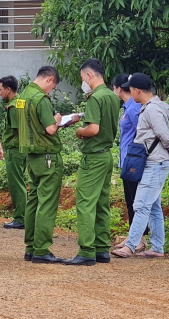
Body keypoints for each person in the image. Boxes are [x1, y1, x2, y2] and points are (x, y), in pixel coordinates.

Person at [111, 73, 169, 259]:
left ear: (137, 90)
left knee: (140, 205)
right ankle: (157, 247)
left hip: (154, 164)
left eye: (131, 89)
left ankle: (131, 245)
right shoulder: (152, 107)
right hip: (155, 163)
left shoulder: (150, 110)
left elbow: (163, 134)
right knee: (154, 207)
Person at [63, 59, 120, 266]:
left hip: (94, 157)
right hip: (106, 155)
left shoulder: (95, 98)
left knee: (85, 203)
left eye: (82, 78)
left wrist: (79, 131)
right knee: (102, 203)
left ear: (89, 76)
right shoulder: (112, 96)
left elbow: (93, 129)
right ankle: (102, 249)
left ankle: (87, 250)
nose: (83, 82)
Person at [16, 66, 65, 263]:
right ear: (49, 79)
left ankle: (30, 246)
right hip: (47, 157)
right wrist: (58, 120)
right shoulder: (40, 99)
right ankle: (42, 249)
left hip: (31, 157)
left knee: (33, 201)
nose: (50, 91)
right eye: (52, 87)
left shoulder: (22, 97)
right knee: (47, 203)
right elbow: (50, 129)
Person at [112, 73, 148, 251]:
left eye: (114, 87)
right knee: (129, 200)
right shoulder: (128, 107)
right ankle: (133, 236)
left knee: (135, 200)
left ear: (119, 88)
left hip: (133, 160)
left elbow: (142, 132)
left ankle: (139, 239)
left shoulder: (133, 108)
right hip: (126, 160)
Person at [0, 76, 26, 229]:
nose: (0, 93)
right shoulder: (21, 102)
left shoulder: (12, 108)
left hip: (15, 149)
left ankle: (20, 218)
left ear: (8, 90)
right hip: (21, 149)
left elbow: (19, 130)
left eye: (1, 90)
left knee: (17, 184)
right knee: (21, 182)